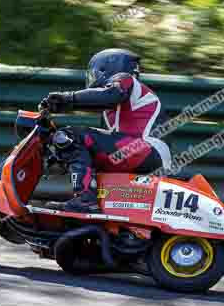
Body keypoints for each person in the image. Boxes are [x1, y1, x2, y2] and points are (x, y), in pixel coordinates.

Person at [40, 49, 172, 213]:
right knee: (73, 143)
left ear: (108, 68)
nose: (93, 77)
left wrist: (68, 98)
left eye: (95, 72)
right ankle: (88, 202)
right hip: (141, 153)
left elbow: (109, 95)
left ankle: (85, 200)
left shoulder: (125, 80)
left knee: (72, 136)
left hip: (150, 151)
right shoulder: (110, 110)